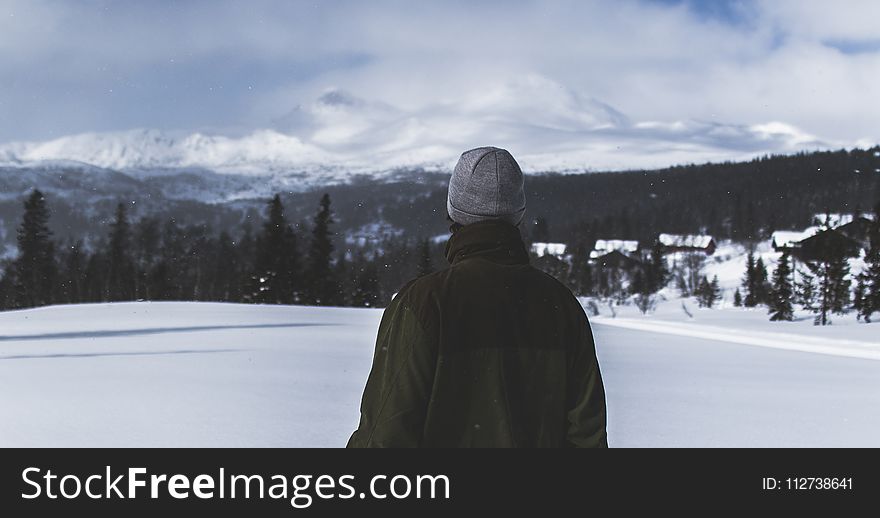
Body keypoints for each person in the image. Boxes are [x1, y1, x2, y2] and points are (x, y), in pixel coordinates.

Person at [347, 146, 607, 448]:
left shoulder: (425, 303)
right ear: (518, 214)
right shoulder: (562, 306)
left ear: (453, 210)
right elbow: (588, 437)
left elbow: (386, 431)